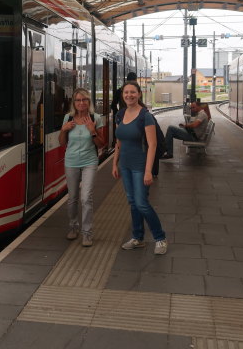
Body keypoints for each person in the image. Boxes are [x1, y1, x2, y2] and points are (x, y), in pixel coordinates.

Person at [112, 81, 168, 255]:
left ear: (139, 94)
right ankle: (138, 238)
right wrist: (115, 163)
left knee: (142, 203)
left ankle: (160, 238)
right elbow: (119, 142)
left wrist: (148, 171)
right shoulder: (120, 115)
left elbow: (152, 145)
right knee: (132, 202)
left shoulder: (145, 116)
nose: (129, 95)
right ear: (123, 94)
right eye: (126, 92)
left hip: (140, 165)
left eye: (133, 92)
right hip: (125, 165)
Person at [59, 88, 105, 247]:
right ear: (74, 103)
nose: (81, 103)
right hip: (71, 162)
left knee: (86, 198)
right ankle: (73, 227)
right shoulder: (68, 118)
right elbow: (62, 143)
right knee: (72, 198)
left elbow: (101, 144)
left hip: (89, 162)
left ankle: (87, 233)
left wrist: (92, 131)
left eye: (84, 100)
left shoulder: (95, 118)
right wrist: (63, 130)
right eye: (78, 100)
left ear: (89, 102)